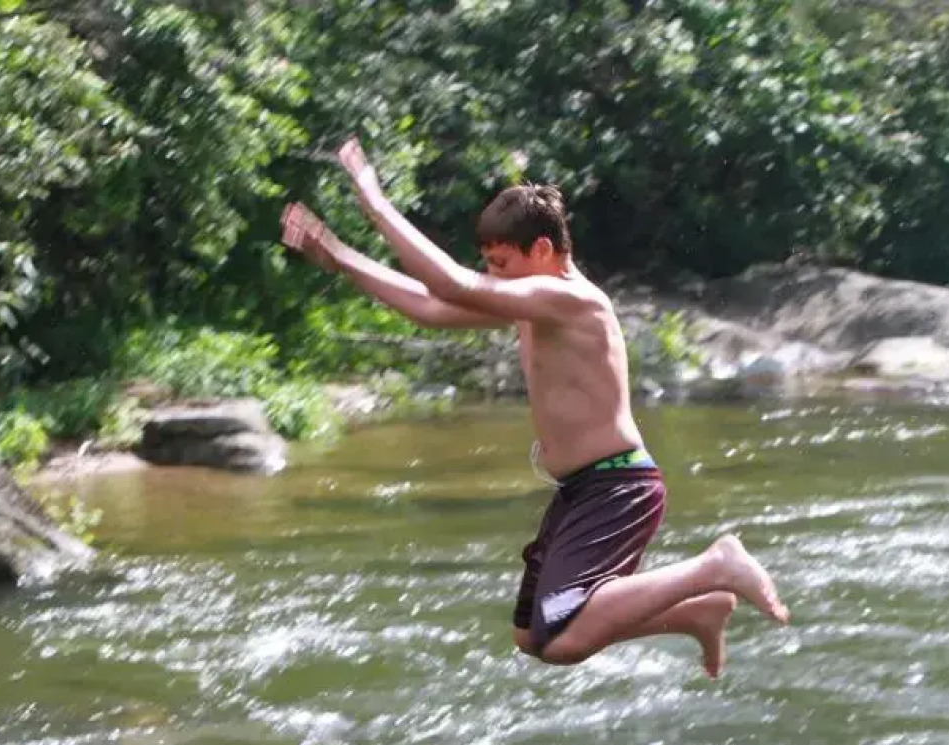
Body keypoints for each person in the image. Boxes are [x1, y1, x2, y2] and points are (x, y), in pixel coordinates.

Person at [280, 138, 788, 677]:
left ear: (541, 250)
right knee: (532, 635)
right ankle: (694, 614)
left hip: (616, 485)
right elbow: (432, 307)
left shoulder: (573, 300)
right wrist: (340, 257)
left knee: (564, 640)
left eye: (501, 262)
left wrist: (376, 205)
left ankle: (716, 565)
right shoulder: (534, 304)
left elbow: (452, 283)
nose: (492, 275)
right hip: (581, 489)